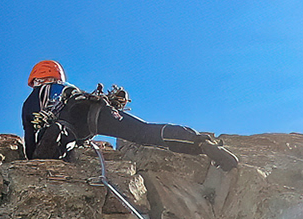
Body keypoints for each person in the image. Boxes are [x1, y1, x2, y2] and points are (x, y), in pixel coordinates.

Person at [21, 60, 240, 169]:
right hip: (97, 110)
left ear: (37, 80)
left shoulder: (34, 98)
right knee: (144, 132)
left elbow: (29, 135)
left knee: (58, 134)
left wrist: (31, 160)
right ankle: (199, 142)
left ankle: (55, 145)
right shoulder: (71, 88)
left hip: (69, 124)